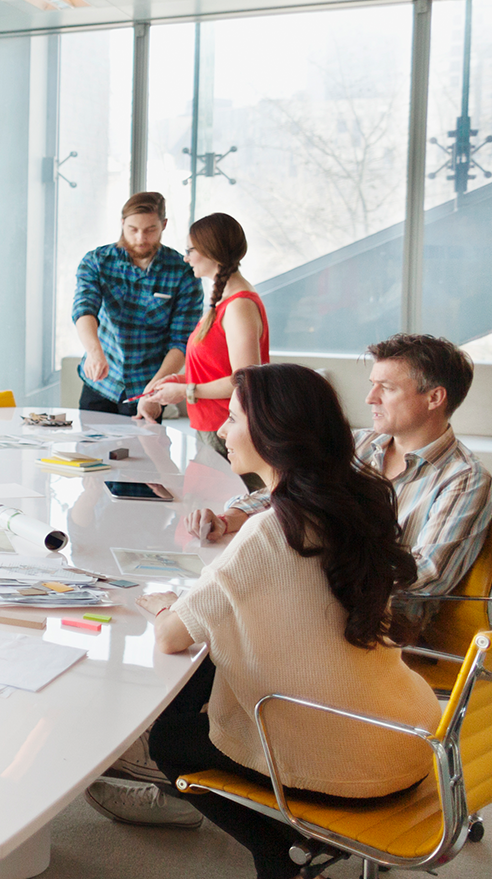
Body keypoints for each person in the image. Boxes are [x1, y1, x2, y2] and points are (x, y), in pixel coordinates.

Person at [114, 364, 440, 879]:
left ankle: (284, 868)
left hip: (348, 767)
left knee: (170, 737)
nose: (224, 431)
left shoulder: (273, 531)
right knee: (209, 674)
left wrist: (159, 599)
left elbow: (171, 636)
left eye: (235, 419)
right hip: (409, 741)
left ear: (270, 434)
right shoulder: (357, 503)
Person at [184, 334, 490, 636]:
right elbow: (298, 491)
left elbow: (428, 575)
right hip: (319, 603)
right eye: (373, 385)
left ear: (434, 398)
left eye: (387, 388)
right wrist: (232, 518)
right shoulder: (360, 443)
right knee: (208, 609)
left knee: (214, 622)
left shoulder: (464, 479)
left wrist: (320, 571)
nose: (371, 398)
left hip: (381, 629)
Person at [137, 212, 269, 491]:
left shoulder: (239, 305)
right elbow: (217, 370)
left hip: (227, 430)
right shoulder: (224, 302)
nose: (185, 258)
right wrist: (177, 382)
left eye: (190, 251)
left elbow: (244, 379)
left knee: (208, 517)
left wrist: (186, 393)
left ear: (212, 252)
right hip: (212, 428)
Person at [71, 192, 204, 418]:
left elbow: (181, 341)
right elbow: (84, 309)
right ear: (122, 224)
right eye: (133, 229)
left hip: (147, 385)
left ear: (163, 225)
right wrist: (94, 353)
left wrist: (153, 391)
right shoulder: (96, 261)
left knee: (142, 452)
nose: (141, 237)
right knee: (90, 452)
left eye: (150, 230)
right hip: (102, 382)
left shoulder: (183, 273)